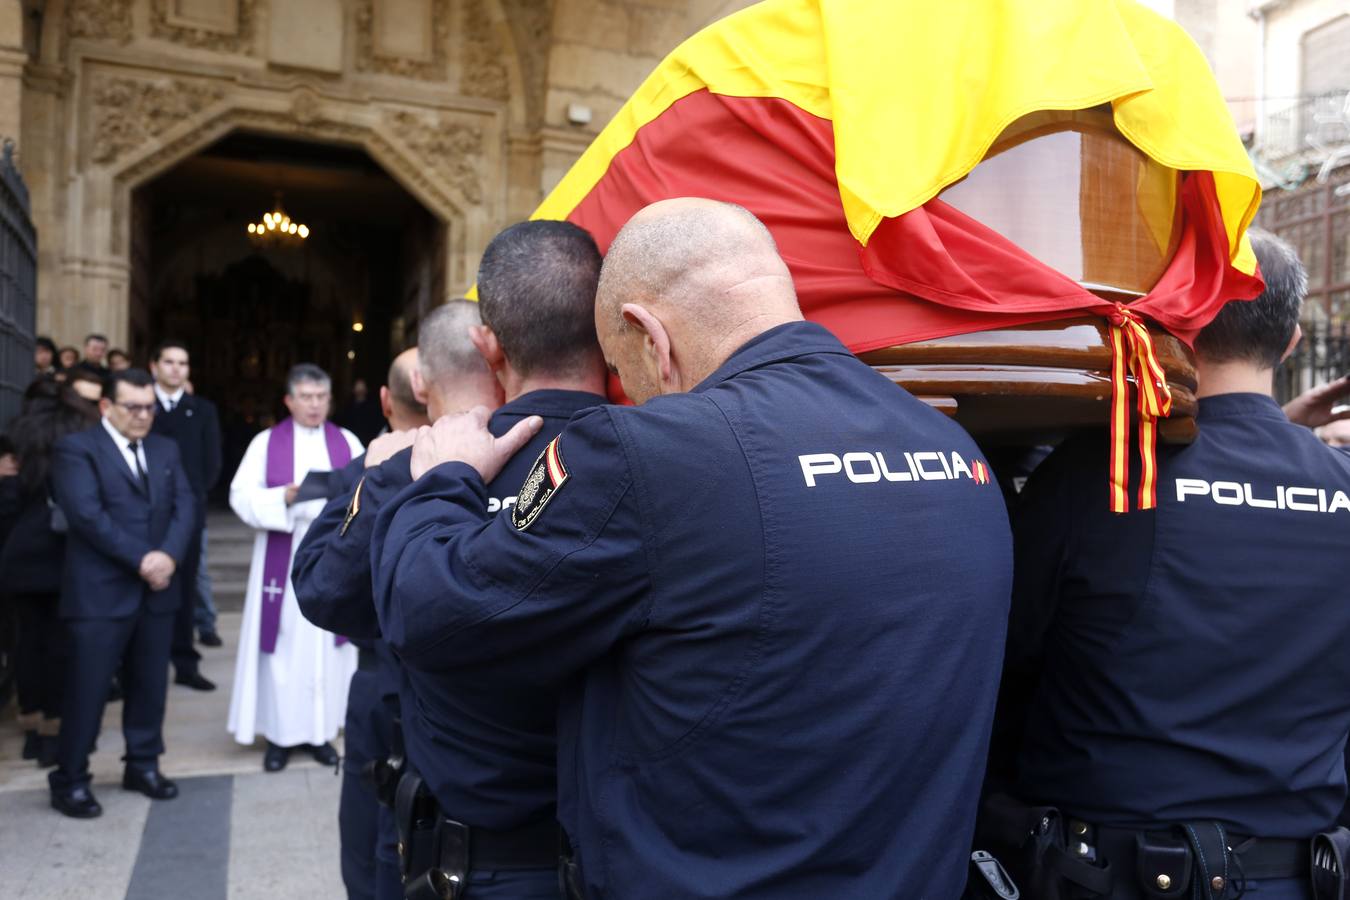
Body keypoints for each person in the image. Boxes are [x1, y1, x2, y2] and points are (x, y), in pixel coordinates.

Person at [370, 200, 1014, 898]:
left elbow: (434, 610)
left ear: (651, 336)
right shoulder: (954, 449)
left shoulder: (652, 453)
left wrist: (441, 480)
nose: (637, 398)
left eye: (625, 374)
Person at [987, 230, 1350, 900]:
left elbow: (1000, 658)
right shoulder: (1340, 483)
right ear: (1291, 342)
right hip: (1299, 875)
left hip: (1107, 872)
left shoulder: (1100, 474)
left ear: (1171, 317)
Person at [302, 221, 608, 899]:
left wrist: (385, 480)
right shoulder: (665, 453)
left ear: (489, 345)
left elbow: (325, 591)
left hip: (481, 848)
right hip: (624, 844)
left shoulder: (425, 466)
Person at [293, 347, 434, 900]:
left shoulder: (366, 469)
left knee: (377, 839)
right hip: (415, 681)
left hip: (387, 677)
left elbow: (323, 585)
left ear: (385, 400)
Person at [46, 368, 196, 818]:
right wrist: (144, 560)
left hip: (157, 592)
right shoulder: (77, 449)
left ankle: (143, 765)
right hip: (100, 594)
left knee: (150, 687)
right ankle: (71, 778)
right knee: (87, 691)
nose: (143, 415)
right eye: (133, 407)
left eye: (149, 407)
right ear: (106, 406)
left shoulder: (165, 448)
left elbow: (186, 505)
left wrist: (169, 556)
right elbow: (86, 515)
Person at [227, 363, 362, 771]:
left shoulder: (347, 441)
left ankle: (321, 733)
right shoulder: (266, 443)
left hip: (333, 555)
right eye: (306, 397)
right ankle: (279, 737)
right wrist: (282, 498)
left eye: (321, 397)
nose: (315, 405)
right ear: (289, 400)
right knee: (282, 646)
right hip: (283, 555)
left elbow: (369, 487)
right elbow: (240, 495)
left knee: (327, 645)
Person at [0, 380, 99, 768]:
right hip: (65, 554)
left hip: (21, 554)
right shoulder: (81, 433)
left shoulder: (16, 437)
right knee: (62, 647)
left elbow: (8, 502)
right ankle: (54, 732)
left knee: (27, 645)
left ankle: (31, 728)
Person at [149, 340, 224, 686]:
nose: (176, 368)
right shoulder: (139, 407)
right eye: (169, 361)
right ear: (154, 366)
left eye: (182, 362)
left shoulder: (202, 409)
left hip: (187, 513)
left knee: (184, 585)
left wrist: (192, 500)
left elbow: (212, 463)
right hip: (142, 512)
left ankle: (185, 663)